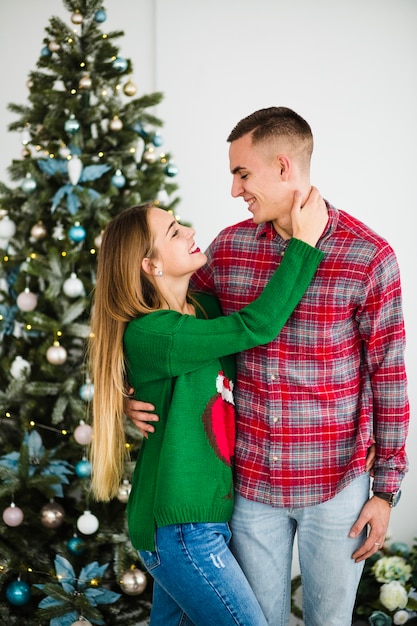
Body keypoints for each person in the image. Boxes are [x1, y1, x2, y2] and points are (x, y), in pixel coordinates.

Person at [125, 107, 409, 626]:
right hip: (250, 490)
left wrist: (386, 490)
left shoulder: (369, 257)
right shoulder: (228, 251)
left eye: (242, 174)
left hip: (336, 489)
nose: (235, 191)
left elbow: (389, 377)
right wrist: (131, 389)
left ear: (283, 166)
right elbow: (172, 327)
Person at [89, 195, 327, 626]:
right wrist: (305, 243)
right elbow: (256, 325)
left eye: (181, 223)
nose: (191, 231)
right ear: (150, 265)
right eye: (174, 232)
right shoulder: (154, 333)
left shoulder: (202, 312)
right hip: (181, 527)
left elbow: (245, 320)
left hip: (203, 519)